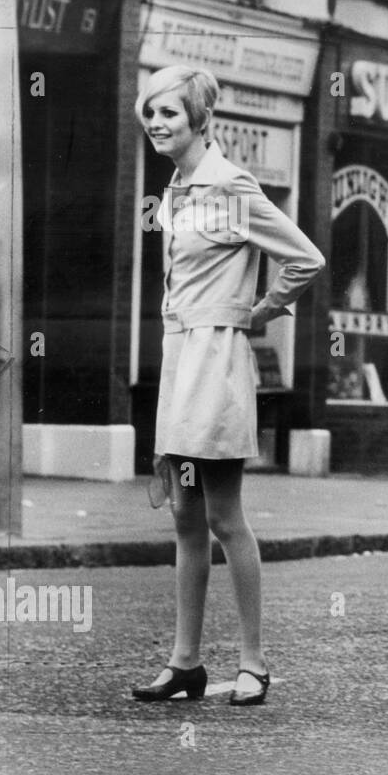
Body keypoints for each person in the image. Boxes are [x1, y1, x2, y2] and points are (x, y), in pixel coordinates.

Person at [130, 66, 324, 705]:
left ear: (198, 121)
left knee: (223, 515)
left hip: (217, 365)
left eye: (169, 115)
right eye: (150, 113)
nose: (157, 124)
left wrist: (261, 310)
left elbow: (305, 256)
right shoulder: (178, 190)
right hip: (181, 360)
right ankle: (185, 662)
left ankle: (253, 661)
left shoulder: (231, 186)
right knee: (185, 515)